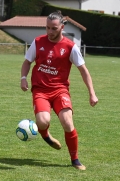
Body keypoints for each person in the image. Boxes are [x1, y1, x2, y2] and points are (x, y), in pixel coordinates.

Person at [20, 11, 98, 170]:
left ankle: (75, 159)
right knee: (42, 122)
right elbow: (27, 62)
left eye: (54, 28)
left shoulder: (70, 47)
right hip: (40, 90)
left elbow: (83, 70)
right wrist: (23, 78)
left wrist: (92, 93)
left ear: (62, 27)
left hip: (60, 90)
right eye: (47, 28)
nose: (49, 31)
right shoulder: (38, 42)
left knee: (67, 123)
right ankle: (45, 134)